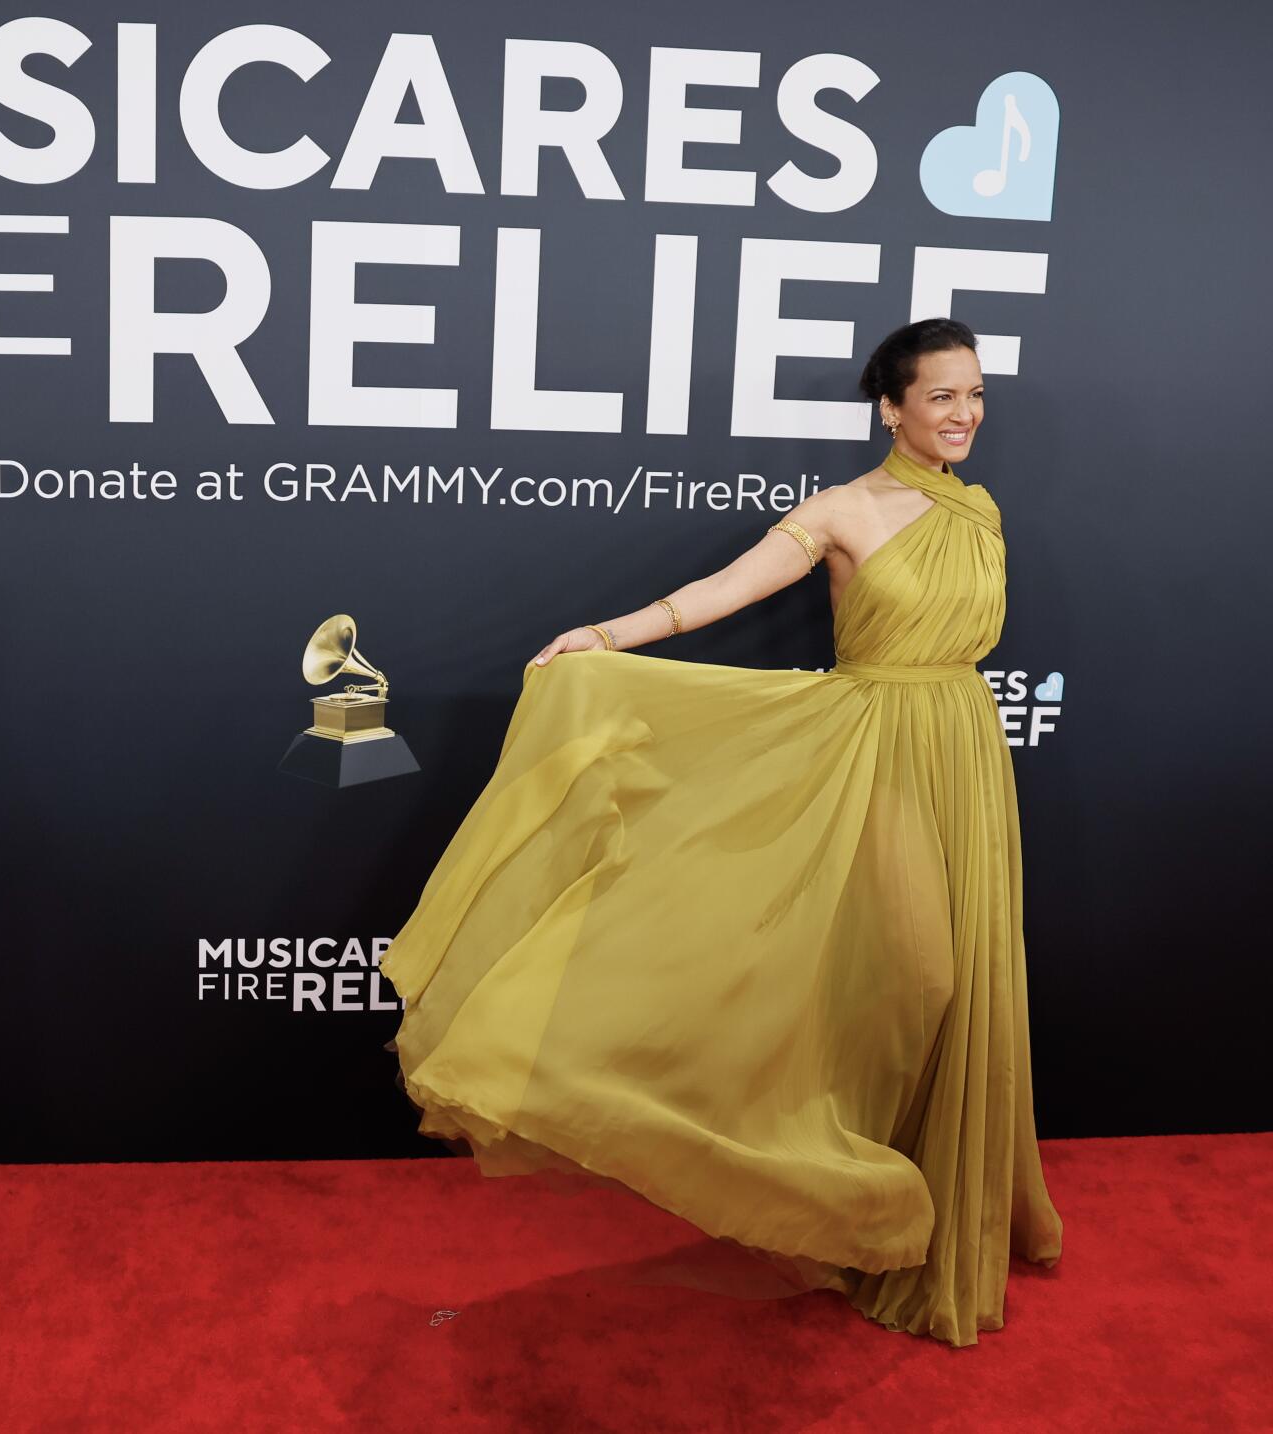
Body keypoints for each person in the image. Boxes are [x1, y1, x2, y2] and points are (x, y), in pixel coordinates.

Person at [380, 318, 1063, 1347]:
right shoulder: (840, 510)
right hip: (873, 755)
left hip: (963, 746)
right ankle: (860, 1208)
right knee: (911, 978)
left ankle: (960, 1215)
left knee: (968, 981)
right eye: (940, 397)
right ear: (890, 406)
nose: (963, 414)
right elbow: (723, 592)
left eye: (973, 395)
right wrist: (607, 638)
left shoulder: (981, 511)